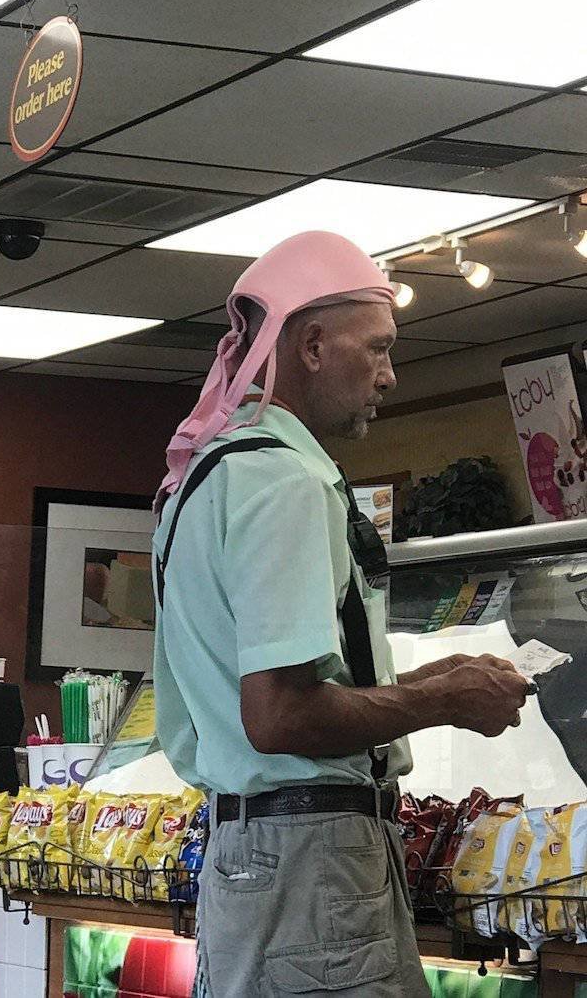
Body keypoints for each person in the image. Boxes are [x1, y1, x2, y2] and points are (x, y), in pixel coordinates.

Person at [152, 231, 528, 998]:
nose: (390, 374)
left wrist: (436, 676)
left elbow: (264, 694)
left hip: (248, 853)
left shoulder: (207, 475)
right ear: (314, 345)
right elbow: (280, 715)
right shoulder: (286, 482)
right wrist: (444, 702)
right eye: (379, 348)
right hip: (311, 860)